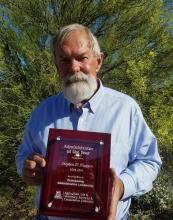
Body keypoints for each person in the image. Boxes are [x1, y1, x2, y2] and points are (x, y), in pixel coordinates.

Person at [16, 24, 162, 220]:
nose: (74, 68)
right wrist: (26, 167)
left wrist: (122, 185)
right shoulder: (43, 111)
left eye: (82, 58)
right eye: (65, 60)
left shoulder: (125, 109)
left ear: (98, 61)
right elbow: (23, 155)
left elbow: (149, 161)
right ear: (57, 67)